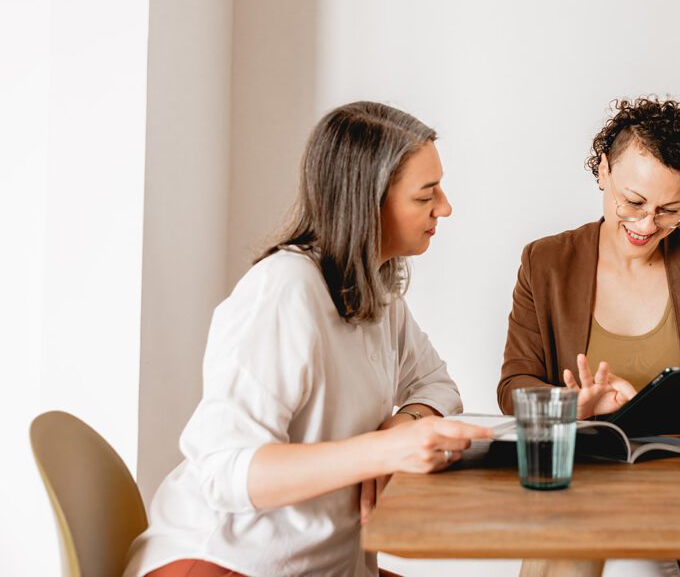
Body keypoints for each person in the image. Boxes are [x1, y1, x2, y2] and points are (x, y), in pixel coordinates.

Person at [125, 102, 491, 577]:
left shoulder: (377, 291)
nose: (445, 207)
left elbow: (438, 385)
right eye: (426, 196)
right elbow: (226, 471)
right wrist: (381, 452)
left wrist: (406, 423)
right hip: (228, 562)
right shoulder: (282, 290)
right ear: (368, 201)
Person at [497, 96, 680, 577]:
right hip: (597, 487)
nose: (646, 225)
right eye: (633, 202)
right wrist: (569, 406)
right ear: (602, 171)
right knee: (636, 569)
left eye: (670, 210)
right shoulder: (545, 262)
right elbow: (513, 388)